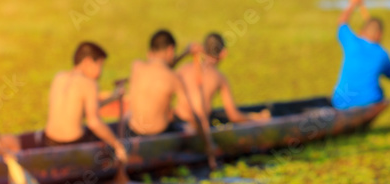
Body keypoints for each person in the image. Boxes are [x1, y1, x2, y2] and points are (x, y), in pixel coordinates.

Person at [127, 30, 215, 168]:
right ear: (170, 50)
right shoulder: (173, 78)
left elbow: (161, 66)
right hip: (158, 134)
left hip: (133, 131)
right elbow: (194, 114)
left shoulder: (136, 66)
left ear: (151, 51)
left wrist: (185, 53)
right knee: (187, 125)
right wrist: (209, 145)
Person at [41, 42, 127, 163]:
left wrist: (113, 97)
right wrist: (117, 145)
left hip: (48, 140)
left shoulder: (59, 77)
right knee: (108, 143)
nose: (101, 71)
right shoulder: (89, 83)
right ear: (87, 61)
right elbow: (94, 122)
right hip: (72, 143)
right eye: (99, 65)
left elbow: (79, 110)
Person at [176, 33, 270, 124]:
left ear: (204, 49)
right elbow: (234, 116)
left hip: (178, 119)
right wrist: (257, 119)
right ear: (224, 53)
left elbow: (165, 70)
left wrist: (185, 53)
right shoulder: (219, 77)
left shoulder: (184, 68)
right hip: (198, 125)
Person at [332, 0, 390, 109]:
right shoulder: (382, 53)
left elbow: (342, 22)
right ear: (379, 35)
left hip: (339, 102)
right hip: (369, 101)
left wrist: (352, 4)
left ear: (362, 31)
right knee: (380, 92)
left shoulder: (352, 41)